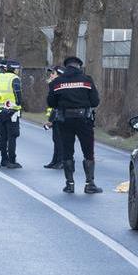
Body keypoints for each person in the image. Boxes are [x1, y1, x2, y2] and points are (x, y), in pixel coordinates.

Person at [48, 56, 101, 193]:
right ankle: (90, 184)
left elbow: (51, 103)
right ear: (79, 66)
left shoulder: (57, 82)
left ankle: (70, 184)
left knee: (67, 151)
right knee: (88, 151)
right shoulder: (87, 80)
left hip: (65, 120)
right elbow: (95, 101)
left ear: (66, 67)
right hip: (84, 120)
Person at [42, 66, 64, 169]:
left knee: (60, 140)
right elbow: (52, 105)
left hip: (62, 117)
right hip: (57, 116)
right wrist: (50, 120)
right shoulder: (55, 85)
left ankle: (61, 161)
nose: (50, 75)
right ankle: (55, 161)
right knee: (56, 139)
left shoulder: (60, 87)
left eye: (53, 73)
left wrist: (51, 84)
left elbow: (56, 103)